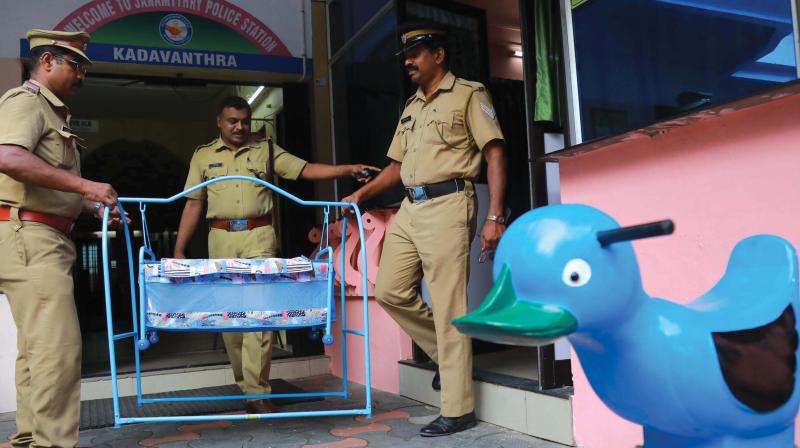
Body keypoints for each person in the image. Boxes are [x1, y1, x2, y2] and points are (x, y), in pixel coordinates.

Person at [341, 21, 508, 437]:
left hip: (450, 203)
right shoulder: (412, 106)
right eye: (406, 57)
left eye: (416, 55)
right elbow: (396, 168)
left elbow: (495, 153)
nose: (409, 63)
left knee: (451, 304)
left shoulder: (469, 94)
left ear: (438, 55)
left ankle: (458, 407)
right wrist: (359, 197)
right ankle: (443, 354)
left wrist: (495, 216)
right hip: (409, 208)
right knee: (392, 290)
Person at [173, 95, 380, 414]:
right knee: (230, 317)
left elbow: (305, 169)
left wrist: (347, 169)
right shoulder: (203, 156)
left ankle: (257, 391)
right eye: (233, 121)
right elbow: (193, 202)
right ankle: (245, 386)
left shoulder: (265, 150)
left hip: (259, 236)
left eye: (245, 120)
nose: (240, 126)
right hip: (220, 239)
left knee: (260, 312)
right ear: (219, 121)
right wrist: (179, 248)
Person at [0, 29, 123, 447]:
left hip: (41, 236)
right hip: (29, 237)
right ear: (47, 61)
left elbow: (47, 183)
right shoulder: (27, 101)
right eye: (75, 65)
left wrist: (89, 205)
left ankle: (31, 439)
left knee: (37, 351)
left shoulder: (54, 113)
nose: (82, 75)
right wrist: (86, 186)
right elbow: (9, 157)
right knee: (58, 351)